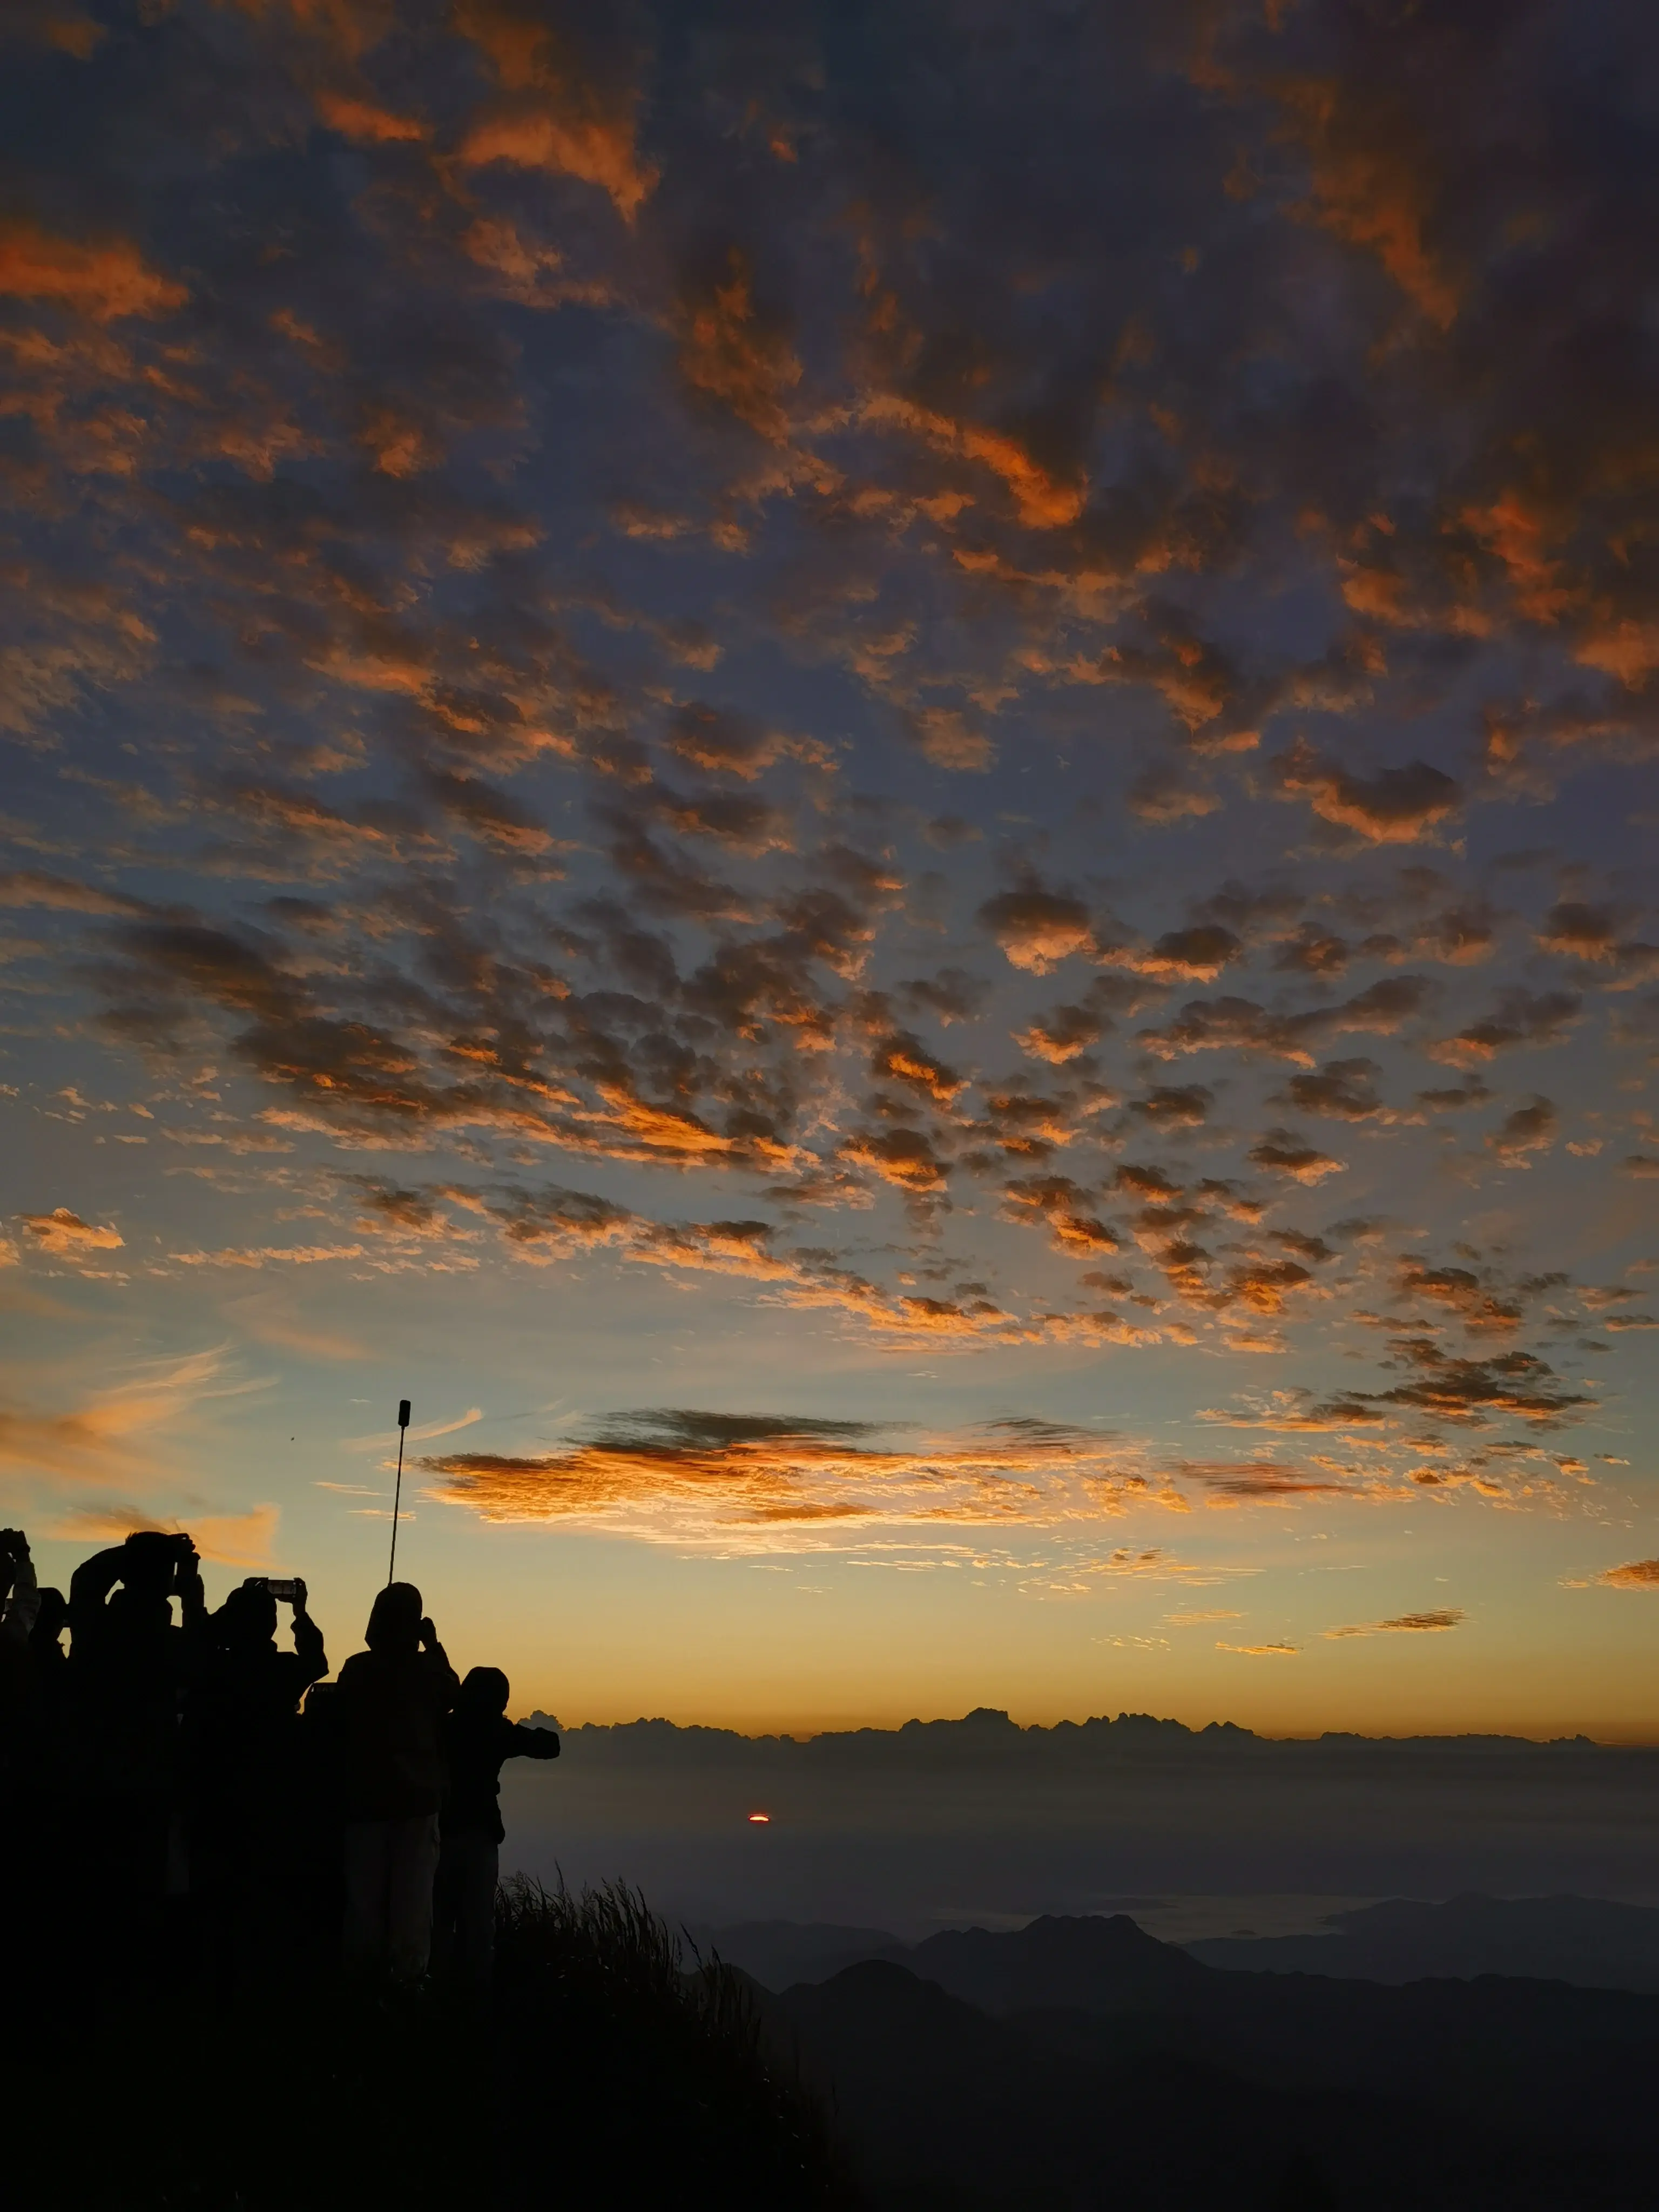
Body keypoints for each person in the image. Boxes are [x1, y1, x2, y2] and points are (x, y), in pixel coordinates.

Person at [189, 1576, 327, 1987]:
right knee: (263, 1900)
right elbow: (316, 1660)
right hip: (273, 1802)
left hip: (215, 1799)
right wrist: (299, 1613)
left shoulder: (211, 1666)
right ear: (271, 1626)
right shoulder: (282, 1670)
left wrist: (228, 1612)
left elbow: (200, 1639)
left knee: (215, 1900)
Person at [334, 1582, 458, 1981]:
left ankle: (361, 1985)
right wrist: (433, 1645)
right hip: (416, 1807)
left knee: (364, 1903)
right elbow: (451, 1691)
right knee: (412, 1905)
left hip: (363, 1804)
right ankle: (405, 1990)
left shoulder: (357, 1669)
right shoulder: (425, 1671)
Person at [433, 1668, 559, 1987]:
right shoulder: (498, 1732)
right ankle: (474, 2001)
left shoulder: (444, 1727)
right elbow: (550, 1746)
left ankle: (431, 1996)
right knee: (477, 1927)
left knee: (437, 1921)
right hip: (479, 1837)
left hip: (437, 1834)